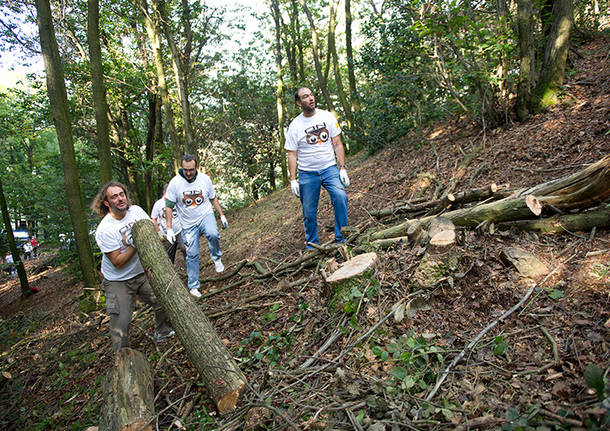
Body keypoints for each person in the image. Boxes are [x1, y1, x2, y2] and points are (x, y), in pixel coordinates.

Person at [91, 181, 174, 353]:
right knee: (120, 322)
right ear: (106, 203)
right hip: (118, 280)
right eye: (114, 197)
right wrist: (137, 243)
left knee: (163, 299)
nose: (120, 199)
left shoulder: (136, 211)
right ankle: (121, 357)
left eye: (122, 194)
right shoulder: (104, 229)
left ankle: (162, 332)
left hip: (141, 273)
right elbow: (118, 261)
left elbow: (149, 231)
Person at [285, 87, 350, 248]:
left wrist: (342, 167)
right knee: (308, 211)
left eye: (311, 95)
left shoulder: (327, 116)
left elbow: (337, 143)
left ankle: (341, 238)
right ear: (299, 103)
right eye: (305, 97)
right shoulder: (295, 126)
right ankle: (312, 245)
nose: (311, 99)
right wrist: (292, 179)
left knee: (341, 197)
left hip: (329, 168)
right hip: (307, 174)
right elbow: (292, 154)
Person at [165, 154, 228, 298]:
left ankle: (216, 257)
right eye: (185, 170)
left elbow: (212, 198)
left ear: (196, 168)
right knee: (192, 254)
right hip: (188, 224)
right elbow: (168, 206)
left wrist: (222, 215)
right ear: (181, 168)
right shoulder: (175, 183)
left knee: (213, 234)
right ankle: (193, 286)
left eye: (191, 170)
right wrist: (169, 228)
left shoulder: (205, 179)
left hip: (205, 215)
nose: (188, 173)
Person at [151, 184, 186, 264]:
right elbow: (154, 219)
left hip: (179, 230)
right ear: (164, 192)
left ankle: (191, 269)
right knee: (168, 256)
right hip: (166, 234)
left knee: (185, 248)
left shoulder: (176, 201)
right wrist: (159, 232)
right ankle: (171, 273)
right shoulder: (158, 204)